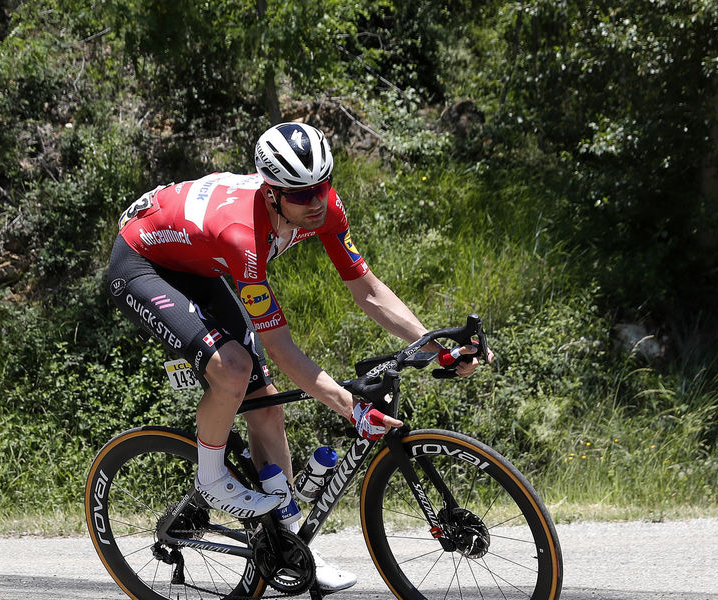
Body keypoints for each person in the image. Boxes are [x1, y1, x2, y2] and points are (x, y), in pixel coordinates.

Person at [106, 122, 491, 592]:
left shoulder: (325, 207)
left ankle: (289, 547)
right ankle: (210, 478)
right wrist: (350, 407)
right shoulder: (243, 235)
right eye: (300, 194)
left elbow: (368, 291)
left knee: (267, 410)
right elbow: (281, 347)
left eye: (321, 187)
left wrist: (437, 347)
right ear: (271, 193)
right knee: (235, 369)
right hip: (143, 262)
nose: (314, 203)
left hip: (198, 262)